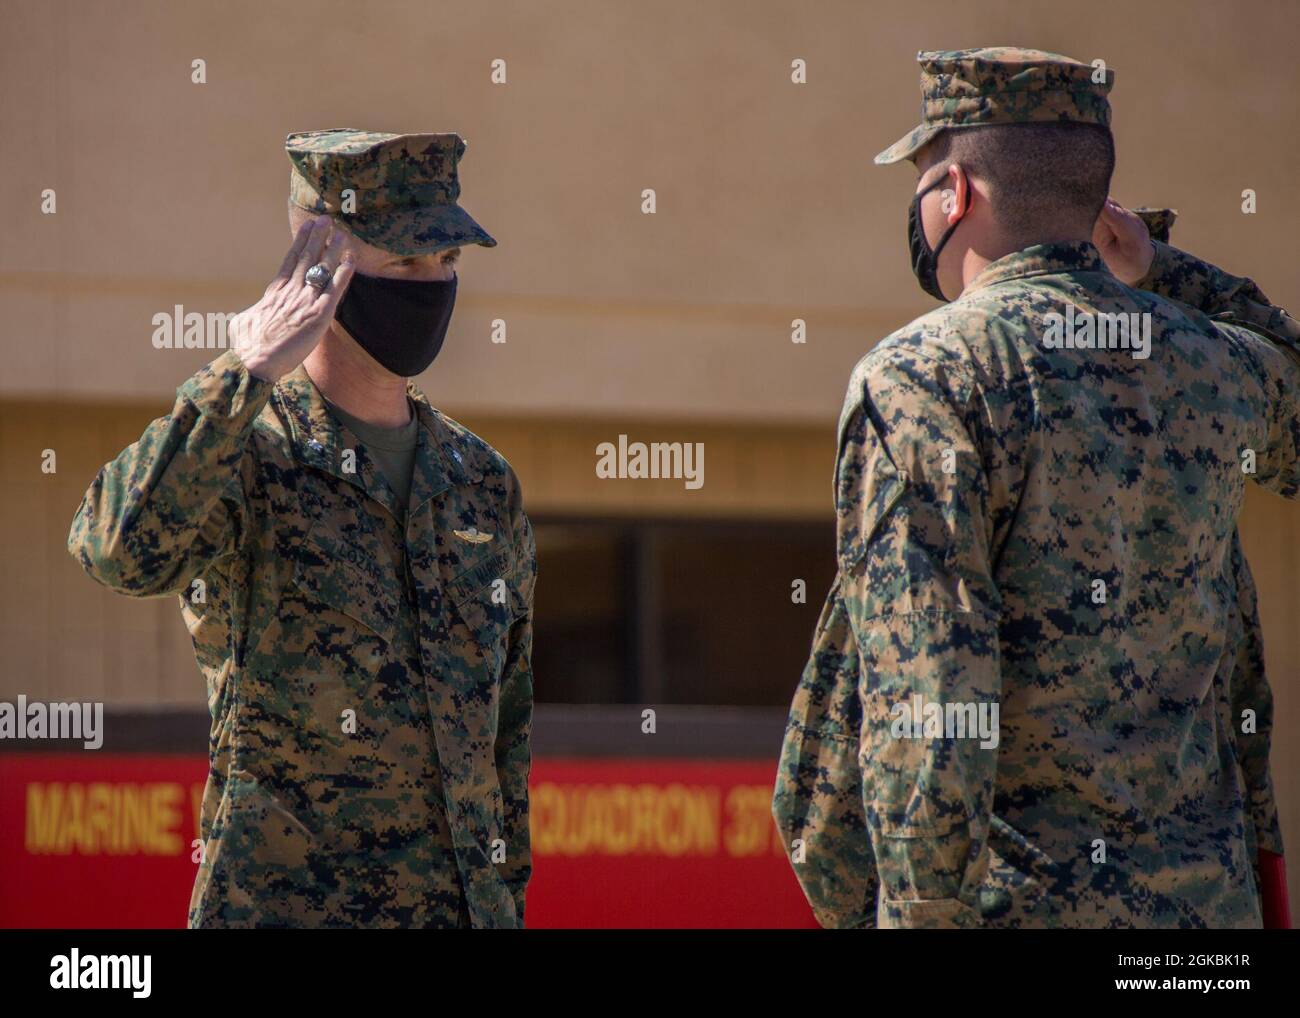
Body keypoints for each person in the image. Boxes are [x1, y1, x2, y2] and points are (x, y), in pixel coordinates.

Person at [772, 49, 1300, 928]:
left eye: (919, 182)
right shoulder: (1216, 362)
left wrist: (920, 911)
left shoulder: (925, 376)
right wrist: (1167, 270)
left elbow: (932, 690)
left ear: (956, 195)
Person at [68, 129, 536, 928]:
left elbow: (507, 732)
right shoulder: (248, 451)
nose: (434, 283)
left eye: (447, 263)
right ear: (326, 263)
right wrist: (241, 374)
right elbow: (115, 550)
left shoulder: (480, 483)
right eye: (408, 262)